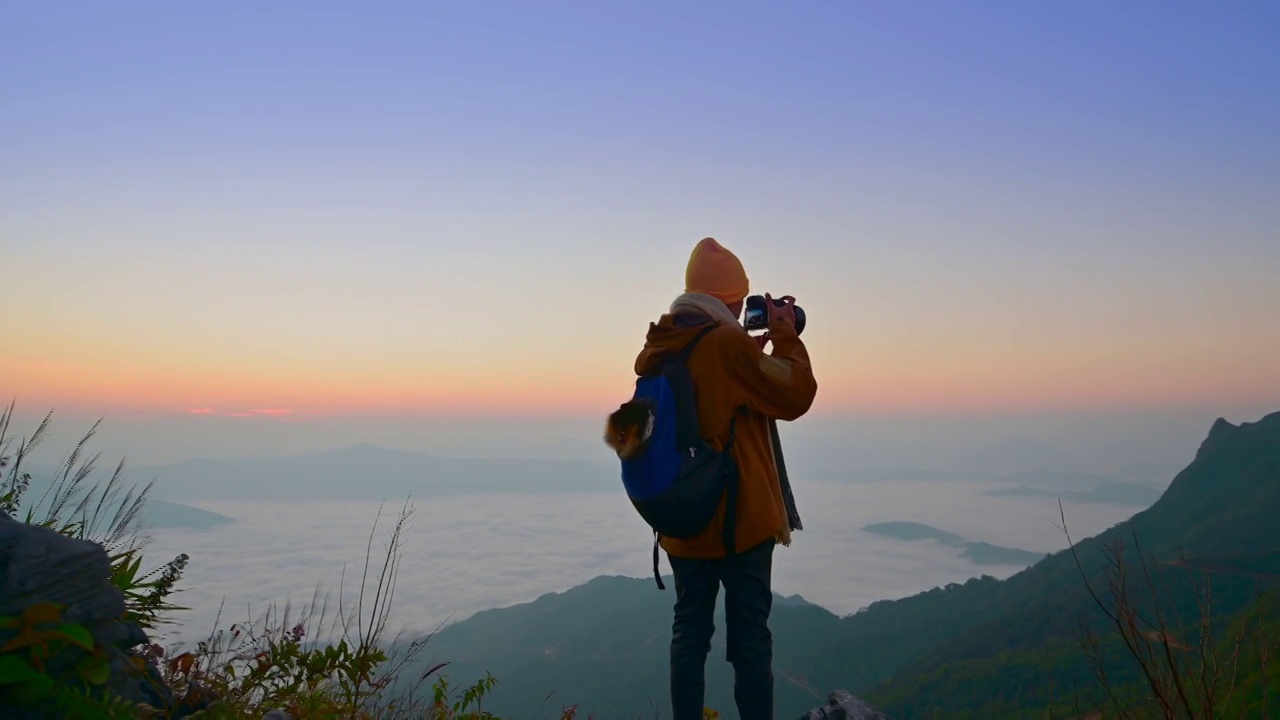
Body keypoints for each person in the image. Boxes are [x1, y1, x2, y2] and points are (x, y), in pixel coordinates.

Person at [632, 237, 818, 720]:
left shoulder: (666, 341)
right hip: (741, 526)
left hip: (682, 523)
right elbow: (796, 394)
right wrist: (785, 337)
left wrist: (745, 353)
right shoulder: (726, 343)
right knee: (751, 641)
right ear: (731, 299)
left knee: (688, 636)